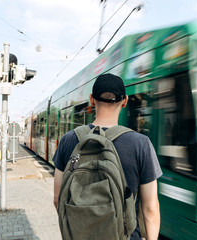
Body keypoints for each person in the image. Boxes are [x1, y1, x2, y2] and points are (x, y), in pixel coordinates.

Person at [53, 73, 162, 240]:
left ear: (91, 100)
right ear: (125, 101)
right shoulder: (141, 144)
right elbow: (150, 209)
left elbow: (58, 199)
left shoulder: (68, 140)